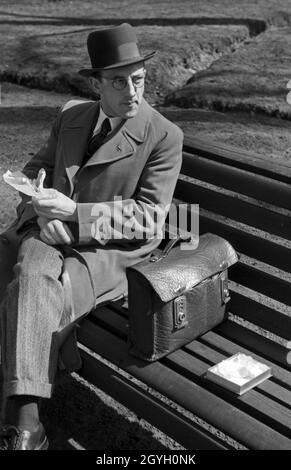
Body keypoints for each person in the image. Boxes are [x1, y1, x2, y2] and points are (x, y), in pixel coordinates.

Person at [0, 23, 183, 450]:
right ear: (97, 83)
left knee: (27, 276)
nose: (132, 91)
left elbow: (149, 220)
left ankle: (22, 422)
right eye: (119, 81)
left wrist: (74, 215)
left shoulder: (163, 136)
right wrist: (39, 210)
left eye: (138, 79)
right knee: (29, 265)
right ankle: (27, 425)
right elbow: (34, 172)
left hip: (108, 251)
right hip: (50, 234)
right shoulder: (71, 116)